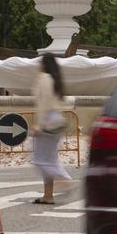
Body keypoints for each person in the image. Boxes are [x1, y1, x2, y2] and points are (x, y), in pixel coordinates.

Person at [31, 53, 71, 204]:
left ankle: (64, 179)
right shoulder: (56, 80)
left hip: (48, 121)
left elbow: (44, 104)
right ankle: (48, 195)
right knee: (49, 159)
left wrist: (39, 126)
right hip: (57, 120)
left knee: (39, 160)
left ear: (44, 64)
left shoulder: (44, 79)